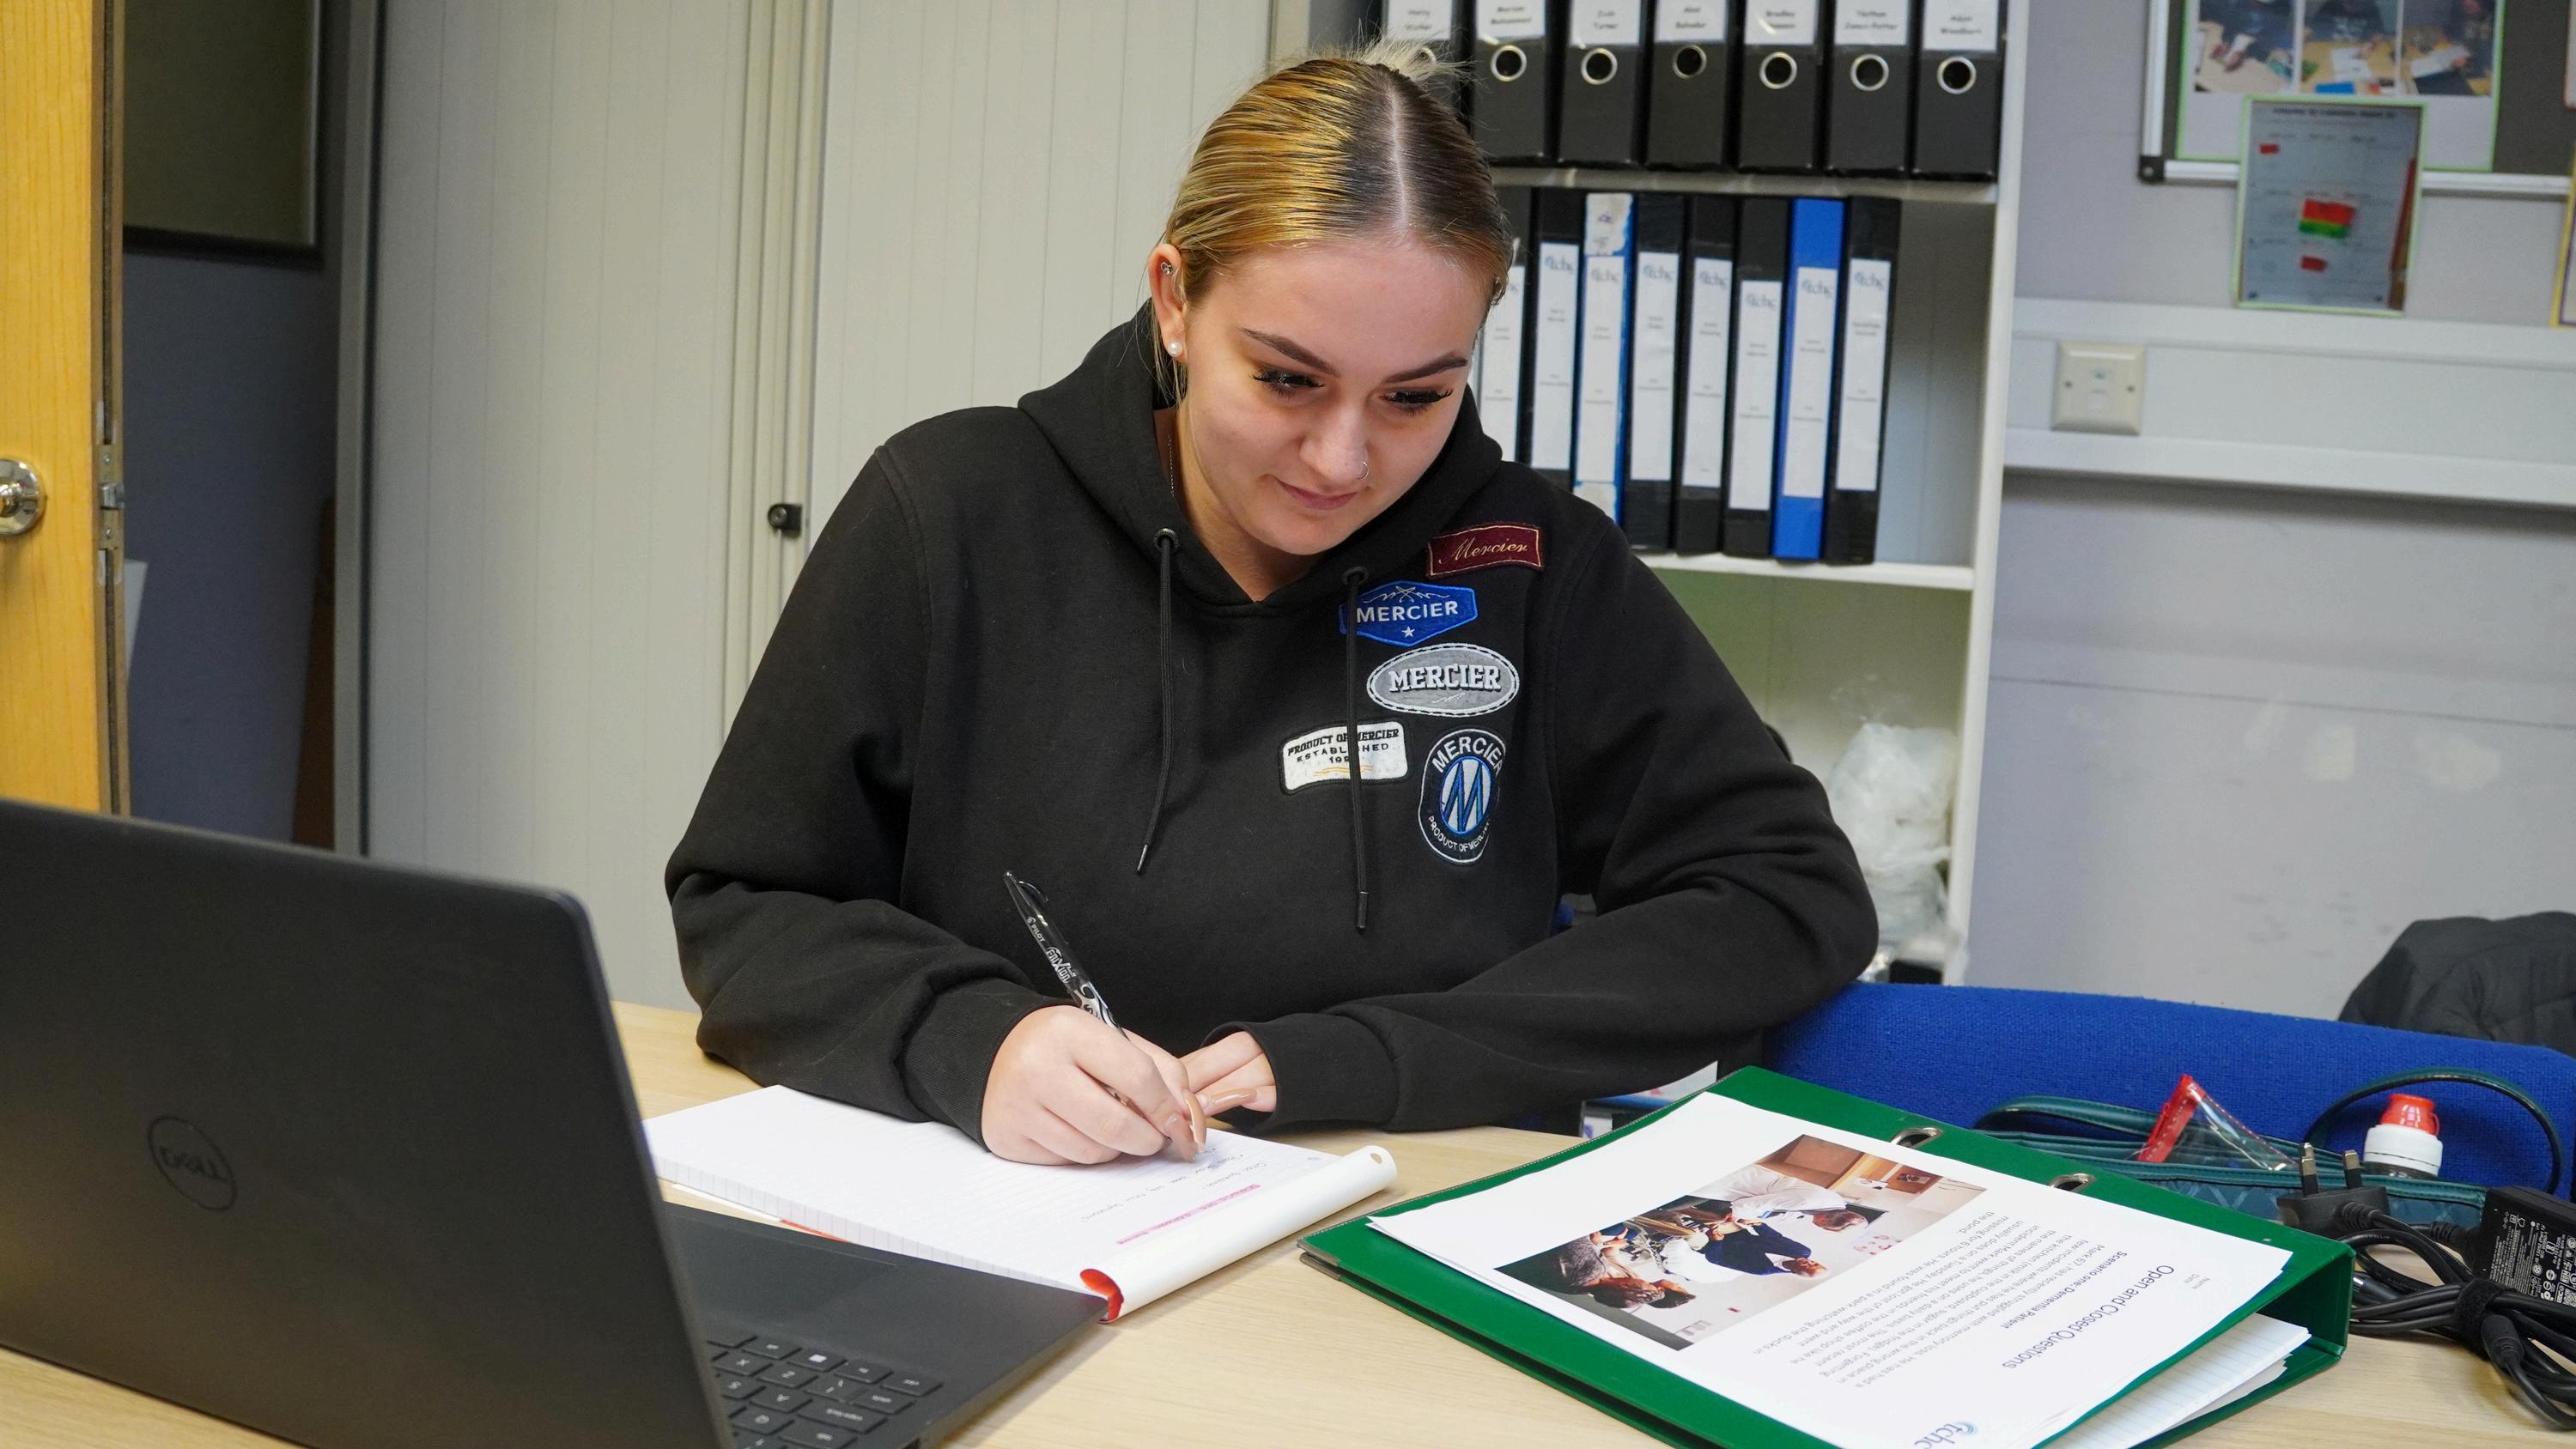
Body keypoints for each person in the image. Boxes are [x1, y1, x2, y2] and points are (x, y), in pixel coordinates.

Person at [664, 43, 1874, 1167]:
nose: (1342, 460)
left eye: (1415, 397)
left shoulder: (1533, 564)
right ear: (1175, 301)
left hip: (1391, 1213)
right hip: (1018, 1212)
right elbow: (747, 905)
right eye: (1289, 379)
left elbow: (1785, 893)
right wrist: (969, 1040)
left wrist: (1385, 1054)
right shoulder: (951, 512)